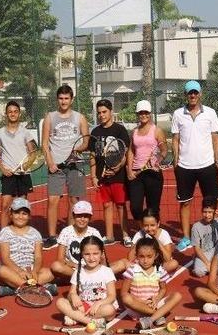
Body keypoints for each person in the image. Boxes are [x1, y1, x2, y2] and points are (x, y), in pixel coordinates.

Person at [171, 80, 218, 251]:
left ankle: (214, 235)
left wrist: (216, 160)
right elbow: (176, 139)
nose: (192, 95)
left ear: (200, 94)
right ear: (186, 95)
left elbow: (215, 137)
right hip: (184, 167)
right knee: (184, 203)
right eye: (189, 93)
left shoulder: (210, 113)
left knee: (212, 202)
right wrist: (176, 160)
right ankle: (186, 237)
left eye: (195, 92)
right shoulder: (178, 114)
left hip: (207, 165)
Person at [41, 85, 90, 250]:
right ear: (57, 99)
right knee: (52, 200)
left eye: (66, 98)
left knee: (73, 201)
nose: (63, 101)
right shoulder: (50, 118)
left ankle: (69, 235)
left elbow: (86, 141)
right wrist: (50, 163)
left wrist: (76, 151)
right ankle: (52, 236)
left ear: (71, 99)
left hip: (75, 165)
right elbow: (44, 144)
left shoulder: (80, 118)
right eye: (61, 98)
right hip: (56, 167)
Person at [0, 100, 38, 253]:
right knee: (5, 205)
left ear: (19, 114)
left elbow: (32, 154)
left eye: (15, 111)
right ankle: (2, 240)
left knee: (22, 208)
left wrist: (25, 166)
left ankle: (23, 239)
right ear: (6, 114)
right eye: (10, 111)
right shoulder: (0, 133)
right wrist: (3, 169)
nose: (12, 114)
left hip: (23, 174)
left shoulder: (25, 132)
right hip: (8, 175)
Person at [89, 99, 131, 246]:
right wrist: (93, 176)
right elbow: (93, 155)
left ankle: (126, 235)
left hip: (118, 176)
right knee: (106, 205)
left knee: (120, 205)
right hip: (102, 176)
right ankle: (109, 236)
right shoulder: (95, 132)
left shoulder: (120, 130)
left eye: (104, 112)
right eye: (99, 113)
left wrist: (117, 168)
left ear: (111, 111)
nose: (101, 115)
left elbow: (125, 153)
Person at [0, 198, 56, 297]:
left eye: (24, 213)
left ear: (29, 216)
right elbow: (5, 258)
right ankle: (36, 288)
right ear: (11, 214)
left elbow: (38, 257)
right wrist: (19, 271)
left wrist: (35, 271)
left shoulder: (35, 233)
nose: (20, 217)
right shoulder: (5, 232)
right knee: (2, 271)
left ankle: (13, 289)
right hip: (12, 270)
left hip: (30, 270)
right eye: (17, 213)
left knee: (51, 272)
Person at [119, 237, 182, 329]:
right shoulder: (132, 270)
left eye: (149, 256)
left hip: (154, 305)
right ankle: (158, 315)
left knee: (177, 295)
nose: (145, 260)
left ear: (155, 255)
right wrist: (143, 301)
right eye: (141, 256)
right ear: (136, 256)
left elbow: (163, 288)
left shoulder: (159, 270)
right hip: (137, 307)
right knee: (126, 298)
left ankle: (150, 319)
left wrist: (156, 299)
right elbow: (124, 293)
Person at [56, 235, 117, 327]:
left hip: (101, 308)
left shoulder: (107, 271)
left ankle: (76, 317)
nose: (91, 258)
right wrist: (73, 296)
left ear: (101, 253)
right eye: (87, 254)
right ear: (82, 255)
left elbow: (112, 296)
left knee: (110, 309)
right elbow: (71, 293)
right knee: (60, 302)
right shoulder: (78, 272)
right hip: (83, 307)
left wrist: (99, 303)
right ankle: (90, 321)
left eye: (95, 254)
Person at [127, 100, 167, 231]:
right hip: (137, 173)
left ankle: (154, 232)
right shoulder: (134, 132)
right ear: (137, 114)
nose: (143, 115)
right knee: (135, 207)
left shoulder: (157, 131)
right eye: (140, 113)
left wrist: (158, 160)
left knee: (153, 207)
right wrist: (129, 170)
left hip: (153, 174)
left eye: (146, 113)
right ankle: (143, 229)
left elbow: (164, 150)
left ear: (150, 114)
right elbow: (131, 151)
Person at [190, 196, 218, 277]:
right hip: (204, 253)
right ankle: (214, 265)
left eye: (210, 212)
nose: (207, 215)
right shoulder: (196, 227)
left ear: (215, 212)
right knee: (199, 272)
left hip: (217, 249)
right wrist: (207, 263)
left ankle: (216, 265)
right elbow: (197, 248)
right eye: (205, 212)